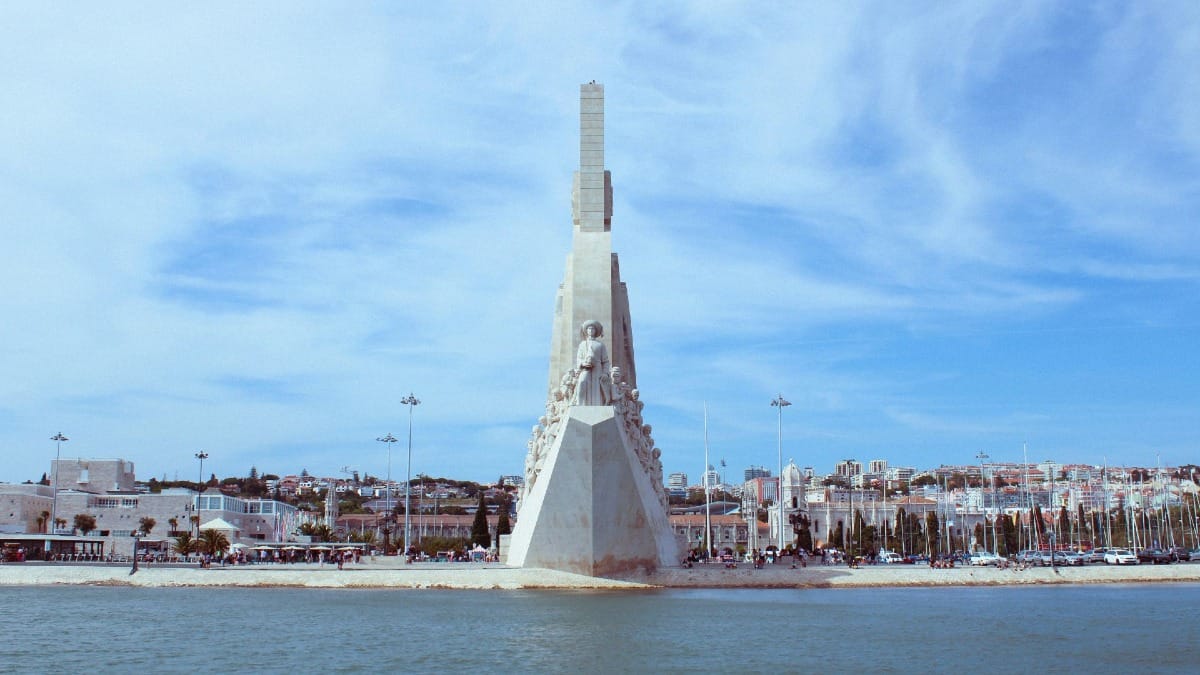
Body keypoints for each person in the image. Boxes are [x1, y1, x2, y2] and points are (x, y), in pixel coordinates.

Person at [573, 320, 612, 405]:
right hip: (585, 368)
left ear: (595, 331)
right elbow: (579, 358)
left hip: (597, 368)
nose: (590, 331)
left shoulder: (600, 345)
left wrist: (605, 373)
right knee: (582, 382)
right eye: (589, 329)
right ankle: (580, 403)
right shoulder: (582, 344)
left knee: (596, 387)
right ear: (586, 331)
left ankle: (597, 404)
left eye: (592, 329)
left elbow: (605, 361)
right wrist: (582, 364)